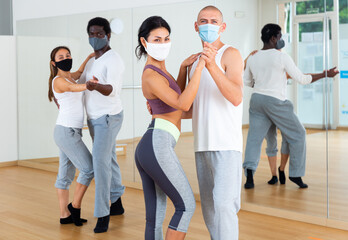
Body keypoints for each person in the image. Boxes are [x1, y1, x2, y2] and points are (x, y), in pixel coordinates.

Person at [134, 16, 206, 240]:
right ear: (144, 42)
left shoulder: (161, 72)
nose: (163, 43)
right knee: (185, 206)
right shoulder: (150, 75)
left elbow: (177, 107)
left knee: (154, 218)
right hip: (157, 145)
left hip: (152, 146)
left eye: (166, 38)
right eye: (157, 39)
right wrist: (201, 66)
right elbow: (184, 103)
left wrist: (184, 69)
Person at [243, 23, 339, 189]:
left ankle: (249, 176)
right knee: (299, 133)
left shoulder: (253, 57)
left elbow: (247, 81)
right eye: (280, 36)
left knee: (254, 139)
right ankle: (295, 174)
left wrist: (265, 83)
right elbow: (302, 79)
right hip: (276, 101)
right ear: (273, 38)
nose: (281, 39)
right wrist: (325, 74)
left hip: (257, 100)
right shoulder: (282, 57)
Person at [188, 5, 244, 240]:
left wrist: (212, 65)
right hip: (202, 145)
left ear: (222, 27)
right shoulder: (194, 63)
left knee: (224, 205)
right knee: (210, 210)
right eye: (203, 21)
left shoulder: (230, 53)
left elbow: (236, 96)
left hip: (227, 144)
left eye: (213, 21)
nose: (208, 25)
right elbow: (190, 107)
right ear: (196, 26)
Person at [79, 17, 125, 233]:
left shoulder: (113, 59)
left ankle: (102, 213)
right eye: (91, 34)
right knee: (109, 159)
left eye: (99, 34)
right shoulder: (91, 61)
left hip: (108, 117)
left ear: (108, 35)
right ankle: (116, 203)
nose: (95, 37)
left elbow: (112, 90)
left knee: (100, 163)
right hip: (94, 118)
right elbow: (79, 82)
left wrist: (95, 86)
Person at [48, 46, 94, 226]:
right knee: (88, 168)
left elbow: (80, 72)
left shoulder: (69, 75)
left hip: (68, 132)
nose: (66, 58)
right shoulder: (59, 80)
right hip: (65, 132)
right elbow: (72, 88)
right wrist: (88, 85)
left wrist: (89, 56)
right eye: (61, 57)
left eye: (68, 55)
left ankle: (64, 215)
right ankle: (74, 207)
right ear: (54, 63)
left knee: (65, 175)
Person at [244, 52, 290, 185]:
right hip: (267, 108)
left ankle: (278, 172)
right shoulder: (264, 68)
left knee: (276, 140)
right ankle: (272, 175)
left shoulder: (280, 64)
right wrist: (249, 58)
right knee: (268, 141)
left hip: (272, 107)